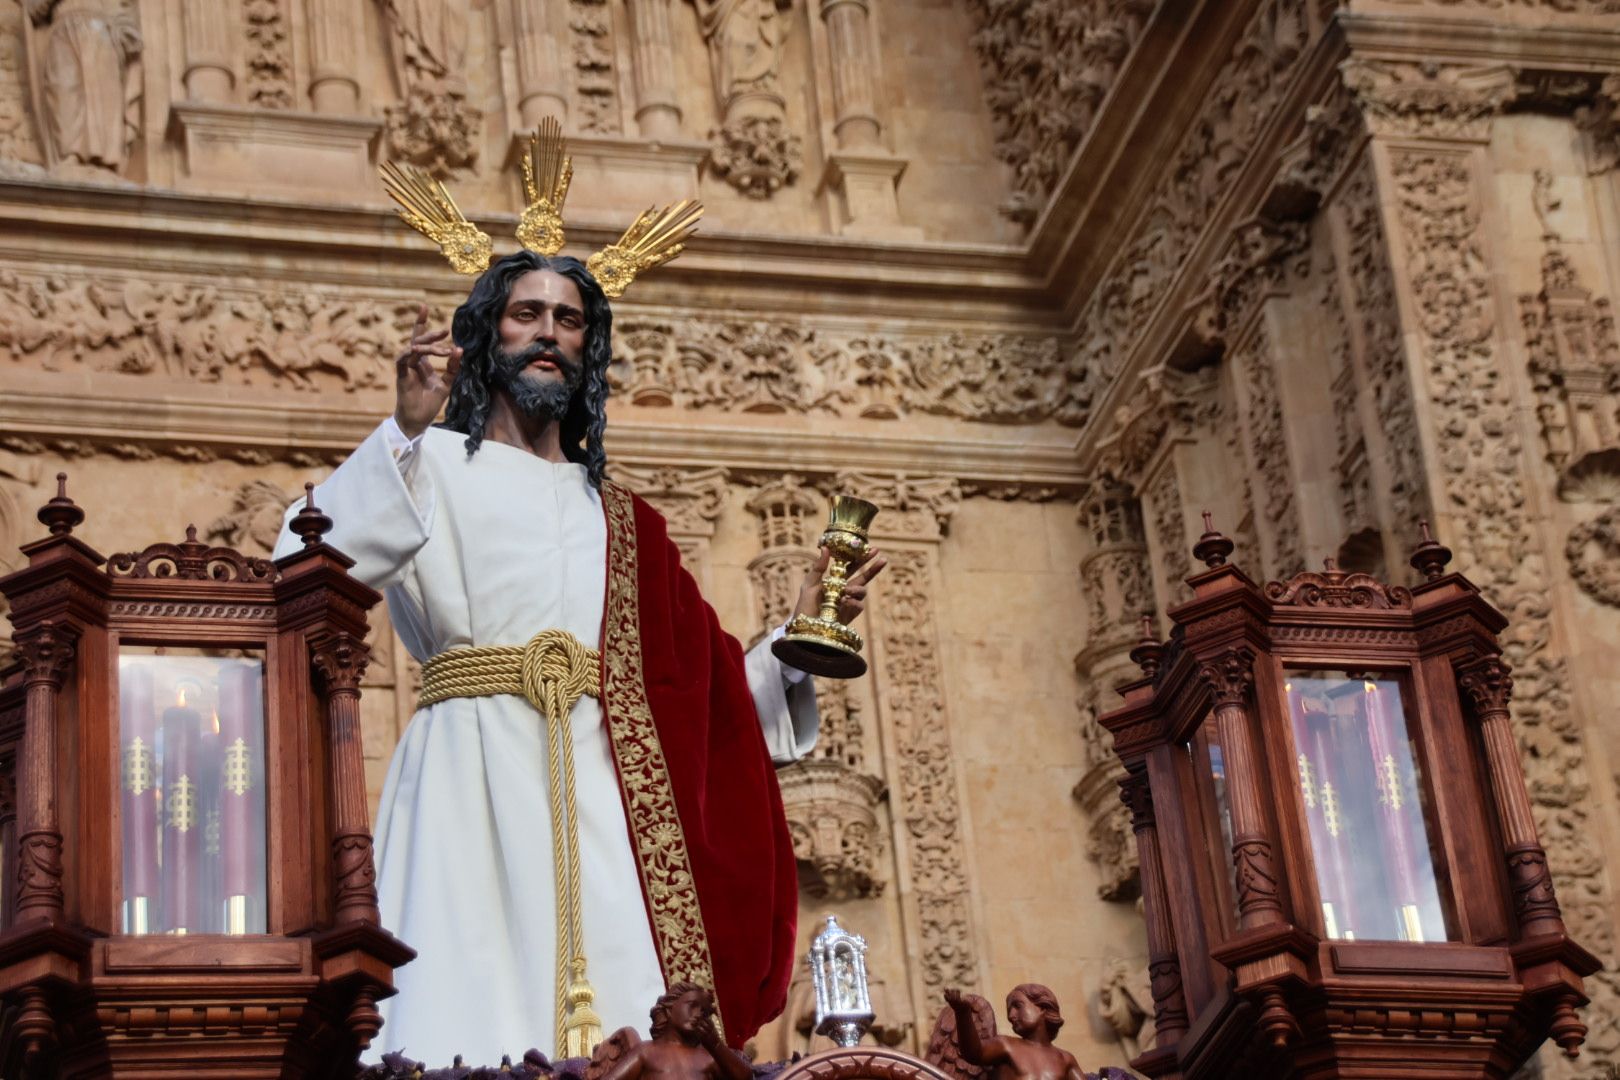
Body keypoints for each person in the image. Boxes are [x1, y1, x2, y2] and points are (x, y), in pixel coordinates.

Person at [274, 250, 886, 1066]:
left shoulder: (624, 522)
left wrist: (798, 641)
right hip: (467, 772)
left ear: (587, 350)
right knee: (462, 1002)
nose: (547, 335)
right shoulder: (427, 471)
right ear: (486, 334)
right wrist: (404, 430)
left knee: (630, 1011)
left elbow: (706, 701)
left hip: (607, 796)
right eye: (526, 314)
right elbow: (301, 562)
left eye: (569, 321)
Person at [943, 985, 1086, 1080]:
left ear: (1042, 1008)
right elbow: (973, 1053)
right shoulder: (1006, 1045)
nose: (1011, 1016)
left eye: (1018, 1006)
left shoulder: (1065, 1059)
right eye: (1009, 1010)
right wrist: (963, 1012)